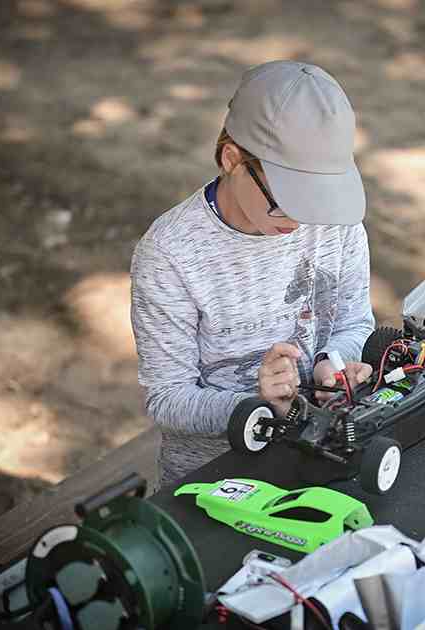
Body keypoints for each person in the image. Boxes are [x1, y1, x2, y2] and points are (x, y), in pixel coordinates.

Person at [130, 60, 376, 489]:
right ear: (232, 159)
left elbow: (354, 322)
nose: (301, 221)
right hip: (216, 480)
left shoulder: (334, 223)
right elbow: (167, 399)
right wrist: (255, 406)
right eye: (285, 198)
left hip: (322, 455)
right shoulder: (170, 254)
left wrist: (329, 364)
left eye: (315, 198)